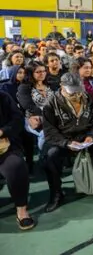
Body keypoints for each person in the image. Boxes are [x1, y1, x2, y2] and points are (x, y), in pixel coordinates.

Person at [42, 73, 93, 212]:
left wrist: (91, 136)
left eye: (78, 88)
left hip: (85, 136)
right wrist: (66, 143)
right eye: (72, 89)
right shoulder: (51, 103)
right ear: (62, 86)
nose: (76, 92)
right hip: (64, 138)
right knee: (50, 156)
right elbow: (49, 131)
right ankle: (56, 194)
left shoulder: (87, 97)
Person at [0, 91, 35, 230]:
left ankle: (21, 209)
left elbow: (18, 120)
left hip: (6, 147)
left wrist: (2, 131)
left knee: (16, 165)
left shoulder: (3, 97)